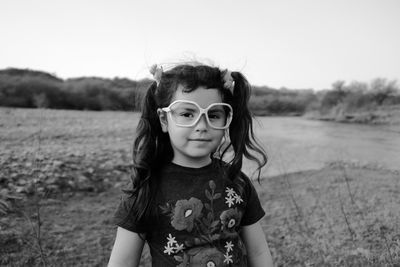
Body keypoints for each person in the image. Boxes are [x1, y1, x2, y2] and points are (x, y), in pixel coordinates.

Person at [108, 63, 274, 267]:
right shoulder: (146, 187)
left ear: (226, 120)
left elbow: (258, 252)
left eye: (213, 115)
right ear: (164, 120)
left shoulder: (237, 181)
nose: (202, 126)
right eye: (187, 114)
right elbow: (122, 262)